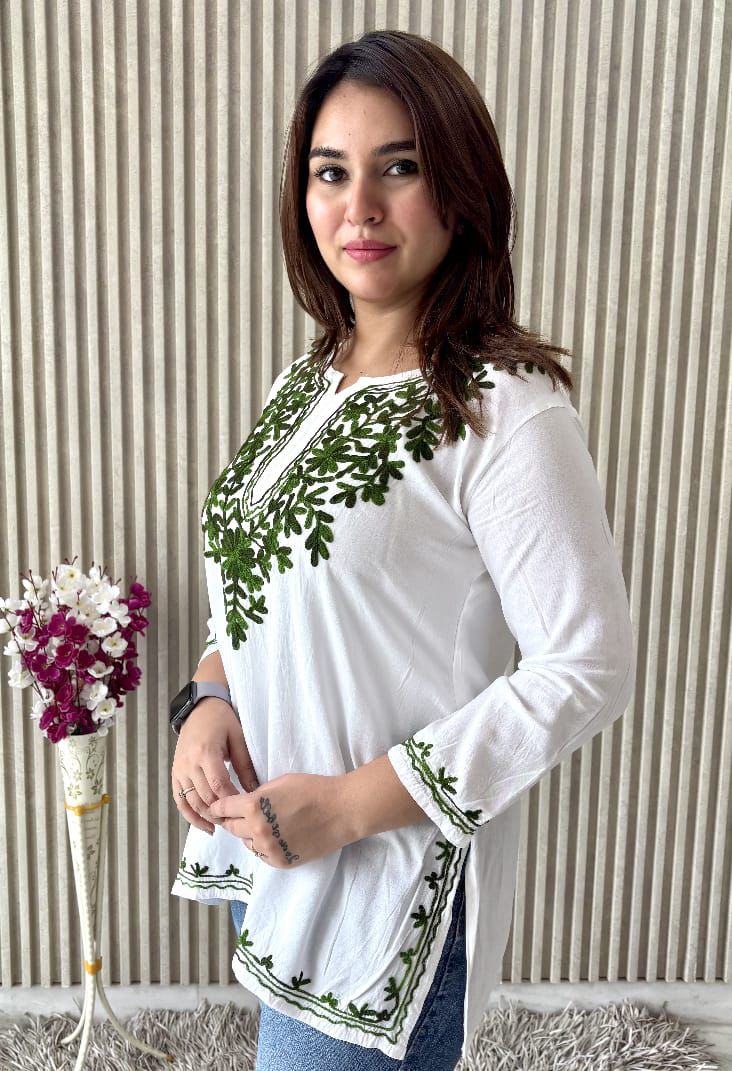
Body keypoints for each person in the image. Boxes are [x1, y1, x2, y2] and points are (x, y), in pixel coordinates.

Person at [170, 28, 635, 1070]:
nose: (360, 208)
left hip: (385, 891)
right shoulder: (308, 380)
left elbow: (588, 664)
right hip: (275, 858)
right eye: (331, 172)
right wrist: (207, 697)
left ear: (460, 189)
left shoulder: (503, 409)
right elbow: (265, 588)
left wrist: (345, 808)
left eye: (400, 168)